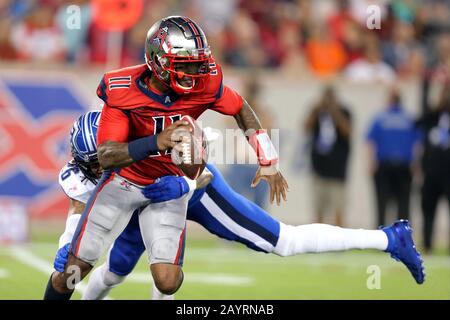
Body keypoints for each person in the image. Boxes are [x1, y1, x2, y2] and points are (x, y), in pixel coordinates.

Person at [53, 111, 424, 300]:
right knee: (115, 271)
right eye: (99, 162)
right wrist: (64, 249)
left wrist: (183, 181)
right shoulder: (90, 168)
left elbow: (204, 166)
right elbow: (75, 211)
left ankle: (389, 239)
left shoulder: (147, 127)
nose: (104, 165)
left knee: (284, 242)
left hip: (194, 192)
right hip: (145, 201)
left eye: (107, 157)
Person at [43, 16, 288, 300]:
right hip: (121, 184)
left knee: (166, 280)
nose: (196, 72)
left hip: (165, 185)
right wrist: (156, 142)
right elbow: (104, 160)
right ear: (158, 61)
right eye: (187, 65)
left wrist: (267, 158)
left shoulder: (204, 83)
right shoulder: (121, 90)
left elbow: (239, 107)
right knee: (71, 274)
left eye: (198, 63)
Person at [366, 88, 422, 227]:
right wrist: (416, 164)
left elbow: (370, 142)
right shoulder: (409, 119)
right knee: (404, 204)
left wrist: (371, 162)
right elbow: (418, 143)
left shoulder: (380, 118)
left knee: (382, 203)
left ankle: (379, 234)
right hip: (404, 166)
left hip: (384, 165)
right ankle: (402, 236)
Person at [304, 85, 352, 226]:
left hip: (338, 171)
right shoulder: (318, 112)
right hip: (319, 169)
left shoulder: (344, 112)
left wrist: (335, 112)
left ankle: (340, 242)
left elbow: (347, 131)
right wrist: (318, 109)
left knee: (338, 209)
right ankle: (318, 243)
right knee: (319, 210)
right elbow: (306, 127)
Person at [416, 84, 450, 254]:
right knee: (428, 209)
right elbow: (419, 121)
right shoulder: (433, 117)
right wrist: (426, 88)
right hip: (431, 171)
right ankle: (428, 244)